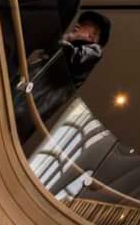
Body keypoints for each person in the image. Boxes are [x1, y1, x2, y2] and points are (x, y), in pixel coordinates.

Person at [13, 10, 110, 142]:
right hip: (17, 101)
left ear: (92, 36)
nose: (77, 26)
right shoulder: (64, 49)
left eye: (84, 25)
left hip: (22, 111)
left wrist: (67, 39)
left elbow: (71, 59)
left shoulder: (93, 52)